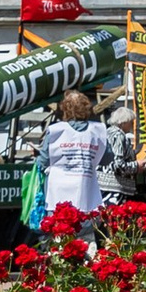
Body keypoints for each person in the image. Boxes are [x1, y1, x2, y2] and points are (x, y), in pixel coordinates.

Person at [40, 87, 108, 232]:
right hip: (86, 188)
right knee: (85, 234)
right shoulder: (98, 130)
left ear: (65, 109)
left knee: (60, 232)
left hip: (58, 190)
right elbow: (107, 158)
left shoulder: (56, 130)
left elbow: (42, 161)